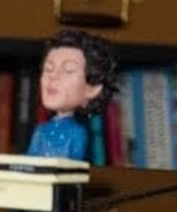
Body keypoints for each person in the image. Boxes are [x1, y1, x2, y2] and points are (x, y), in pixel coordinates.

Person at [28, 29, 119, 162]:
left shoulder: (77, 132)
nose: (53, 76)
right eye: (48, 69)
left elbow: (73, 165)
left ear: (92, 89)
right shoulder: (41, 130)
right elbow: (28, 159)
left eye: (68, 70)